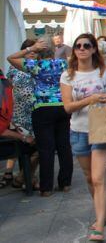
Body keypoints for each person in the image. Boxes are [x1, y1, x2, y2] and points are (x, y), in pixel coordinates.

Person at [59, 33, 106, 242]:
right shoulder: (68, 76)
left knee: (98, 178)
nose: (82, 49)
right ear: (74, 50)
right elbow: (67, 107)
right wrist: (91, 99)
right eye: (78, 46)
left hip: (102, 128)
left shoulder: (105, 71)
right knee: (88, 177)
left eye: (86, 45)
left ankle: (99, 224)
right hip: (78, 130)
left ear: (94, 49)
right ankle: (102, 211)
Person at [7, 35, 73, 197]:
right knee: (64, 146)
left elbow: (10, 58)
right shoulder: (63, 64)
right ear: (53, 49)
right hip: (62, 106)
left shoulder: (34, 65)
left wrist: (30, 49)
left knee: (46, 148)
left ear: (39, 50)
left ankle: (46, 188)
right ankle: (65, 183)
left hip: (42, 108)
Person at [2, 39, 39, 190]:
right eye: (29, 51)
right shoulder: (13, 68)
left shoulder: (39, 67)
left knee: (36, 147)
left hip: (35, 113)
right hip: (18, 114)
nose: (32, 54)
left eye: (35, 52)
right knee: (21, 146)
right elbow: (7, 88)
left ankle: (24, 177)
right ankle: (17, 175)